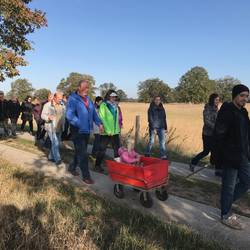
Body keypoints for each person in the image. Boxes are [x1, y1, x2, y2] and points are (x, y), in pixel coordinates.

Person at [213, 84, 250, 230]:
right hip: (230, 156)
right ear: (235, 96)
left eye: (247, 96)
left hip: (243, 155)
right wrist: (221, 156)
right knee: (228, 187)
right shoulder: (227, 111)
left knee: (247, 182)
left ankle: (225, 203)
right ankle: (225, 215)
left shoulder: (243, 112)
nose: (245, 99)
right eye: (242, 95)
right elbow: (219, 135)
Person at [66, 80, 103, 184]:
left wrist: (99, 123)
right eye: (84, 87)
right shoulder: (73, 99)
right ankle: (86, 176)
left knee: (80, 151)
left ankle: (72, 167)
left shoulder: (88, 99)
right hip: (77, 130)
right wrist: (79, 123)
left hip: (86, 130)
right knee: (83, 153)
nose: (86, 89)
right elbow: (69, 115)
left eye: (88, 88)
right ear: (79, 87)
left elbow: (94, 114)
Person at [190, 93, 220, 172]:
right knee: (206, 152)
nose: (218, 101)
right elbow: (207, 122)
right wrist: (216, 128)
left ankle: (218, 170)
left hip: (215, 134)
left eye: (218, 100)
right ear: (212, 100)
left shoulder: (217, 109)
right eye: (216, 100)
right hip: (207, 134)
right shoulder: (207, 109)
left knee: (216, 151)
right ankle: (193, 162)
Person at [94, 90, 121, 173]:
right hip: (106, 132)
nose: (113, 98)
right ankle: (97, 165)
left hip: (115, 132)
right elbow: (102, 118)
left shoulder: (115, 106)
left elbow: (116, 119)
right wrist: (108, 130)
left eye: (115, 96)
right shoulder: (103, 105)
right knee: (102, 150)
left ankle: (118, 168)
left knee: (117, 150)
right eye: (112, 96)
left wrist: (118, 129)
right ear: (108, 96)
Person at [41, 91, 65, 165]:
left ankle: (51, 157)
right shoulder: (48, 105)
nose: (60, 100)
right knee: (55, 143)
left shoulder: (63, 106)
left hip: (59, 127)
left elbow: (64, 116)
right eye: (58, 98)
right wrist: (48, 117)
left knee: (55, 143)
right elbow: (42, 115)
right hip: (51, 127)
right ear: (54, 97)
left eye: (61, 98)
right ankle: (57, 159)